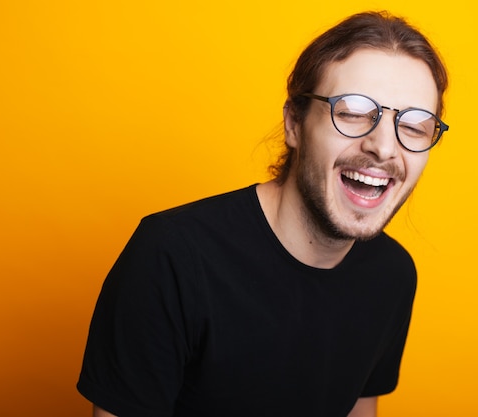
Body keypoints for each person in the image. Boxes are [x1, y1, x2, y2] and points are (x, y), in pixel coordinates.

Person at [77, 10, 449, 417]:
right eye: (353, 111)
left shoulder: (392, 274)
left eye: (414, 124)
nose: (383, 147)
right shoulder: (170, 257)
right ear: (294, 123)